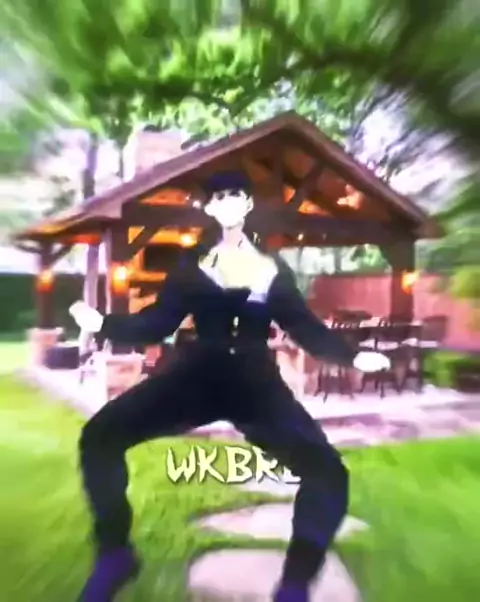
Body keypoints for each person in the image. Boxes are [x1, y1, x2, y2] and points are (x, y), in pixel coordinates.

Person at [69, 170, 390, 602]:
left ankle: (294, 585)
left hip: (256, 385)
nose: (228, 202)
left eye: (236, 194)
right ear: (209, 207)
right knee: (99, 436)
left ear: (248, 204)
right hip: (197, 376)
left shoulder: (271, 269)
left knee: (328, 473)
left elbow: (302, 325)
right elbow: (157, 322)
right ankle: (115, 555)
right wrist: (103, 324)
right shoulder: (191, 265)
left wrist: (351, 356)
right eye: (218, 197)